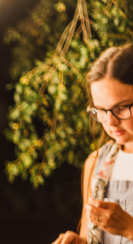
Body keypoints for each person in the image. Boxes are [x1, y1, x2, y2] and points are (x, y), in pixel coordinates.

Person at [53, 43, 133, 244]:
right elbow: (89, 237)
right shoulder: (96, 163)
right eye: (101, 111)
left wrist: (129, 228)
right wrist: (78, 242)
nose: (111, 121)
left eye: (121, 108)